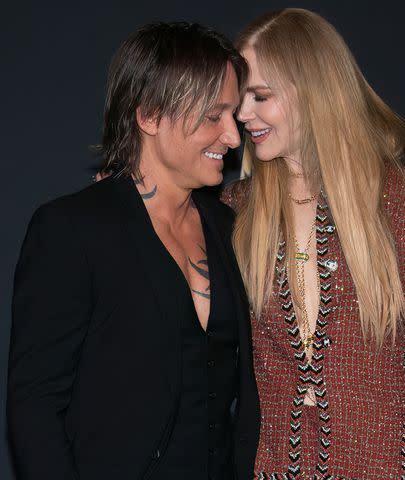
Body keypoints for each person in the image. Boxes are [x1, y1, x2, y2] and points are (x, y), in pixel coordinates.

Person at [8, 22, 259, 480]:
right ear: (149, 115)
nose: (233, 137)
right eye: (212, 116)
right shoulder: (72, 229)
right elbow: (35, 407)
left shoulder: (229, 228)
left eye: (233, 117)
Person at [222, 8, 405, 479]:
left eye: (260, 97)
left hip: (384, 464)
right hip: (272, 466)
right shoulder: (236, 207)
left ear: (310, 93)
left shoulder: (402, 199)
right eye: (239, 100)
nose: (243, 115)